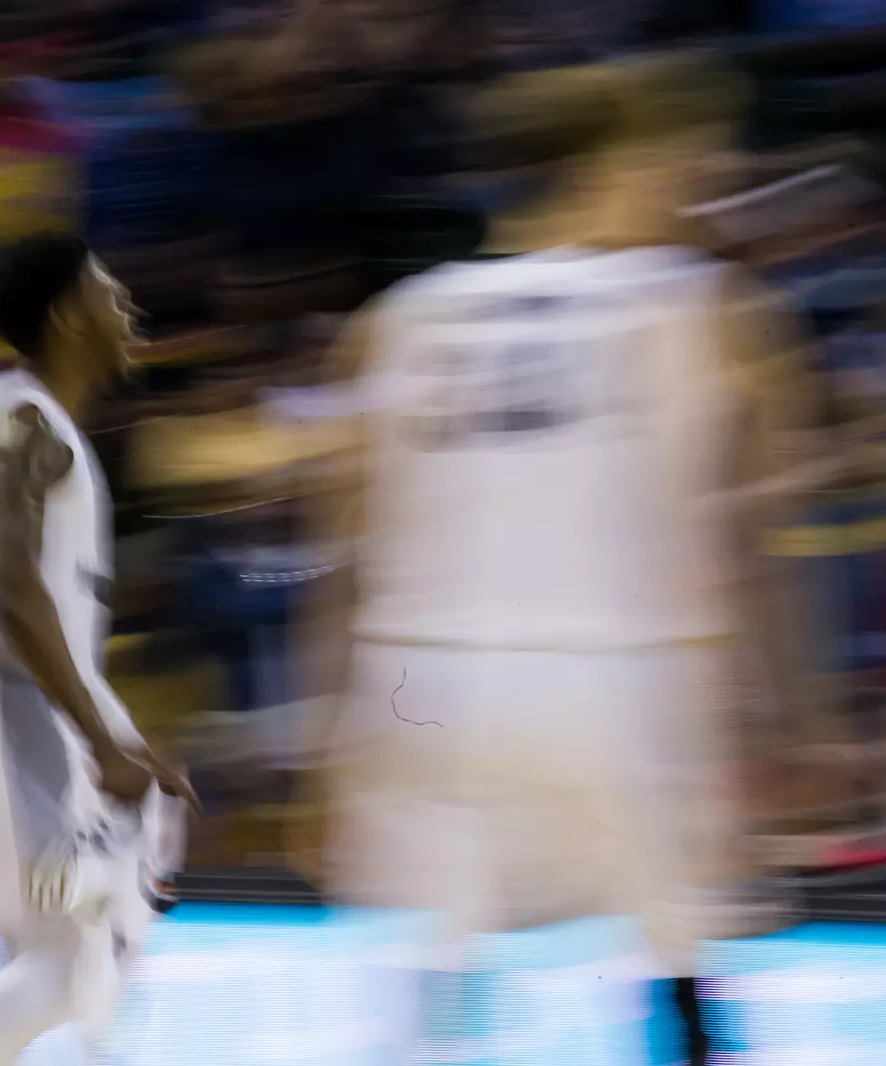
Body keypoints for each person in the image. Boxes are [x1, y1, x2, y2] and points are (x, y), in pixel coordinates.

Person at [298, 55, 817, 1066]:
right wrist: (803, 719)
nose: (689, 183)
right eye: (675, 160)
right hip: (619, 669)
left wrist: (325, 743)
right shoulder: (709, 306)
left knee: (431, 986)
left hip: (420, 680)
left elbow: (343, 548)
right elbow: (754, 544)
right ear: (609, 165)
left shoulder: (397, 317)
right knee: (680, 969)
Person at [0, 230, 199, 1066]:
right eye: (111, 293)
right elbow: (12, 594)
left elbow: (52, 614)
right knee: (68, 968)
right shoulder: (21, 417)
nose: (129, 308)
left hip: (21, 704)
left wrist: (116, 731)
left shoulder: (37, 420)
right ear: (71, 317)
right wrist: (99, 739)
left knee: (57, 955)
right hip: (5, 702)